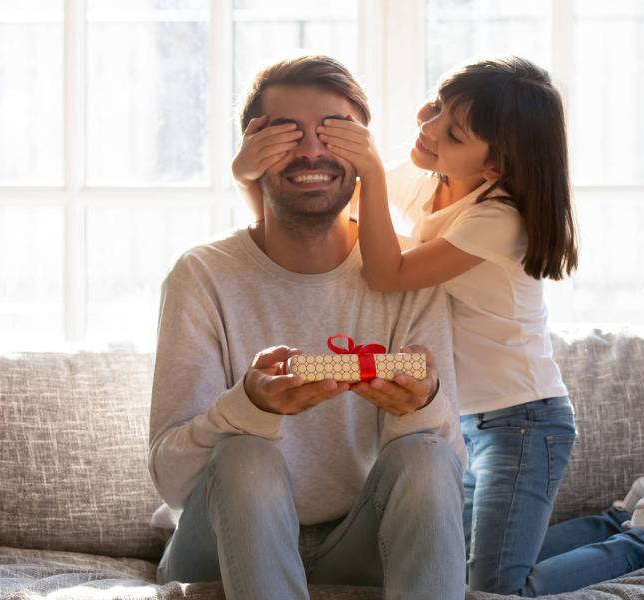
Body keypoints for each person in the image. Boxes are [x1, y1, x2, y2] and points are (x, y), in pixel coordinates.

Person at [233, 55, 644, 596]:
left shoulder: (498, 217)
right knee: (461, 565)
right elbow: (326, 209)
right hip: (466, 420)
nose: (427, 128)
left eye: (450, 132)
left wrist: (373, 170)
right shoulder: (434, 178)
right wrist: (249, 170)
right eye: (434, 107)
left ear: (494, 167)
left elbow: (388, 272)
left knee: (496, 592)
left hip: (524, 420)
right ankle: (618, 520)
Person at [148, 54, 466, 600]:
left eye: (335, 132)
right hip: (218, 547)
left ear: (364, 149)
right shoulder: (201, 276)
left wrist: (420, 404)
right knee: (245, 454)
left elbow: (444, 478)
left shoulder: (412, 273)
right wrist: (249, 408)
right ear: (252, 151)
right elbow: (174, 482)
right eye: (287, 134)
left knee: (425, 455)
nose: (313, 150)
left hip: (362, 543)